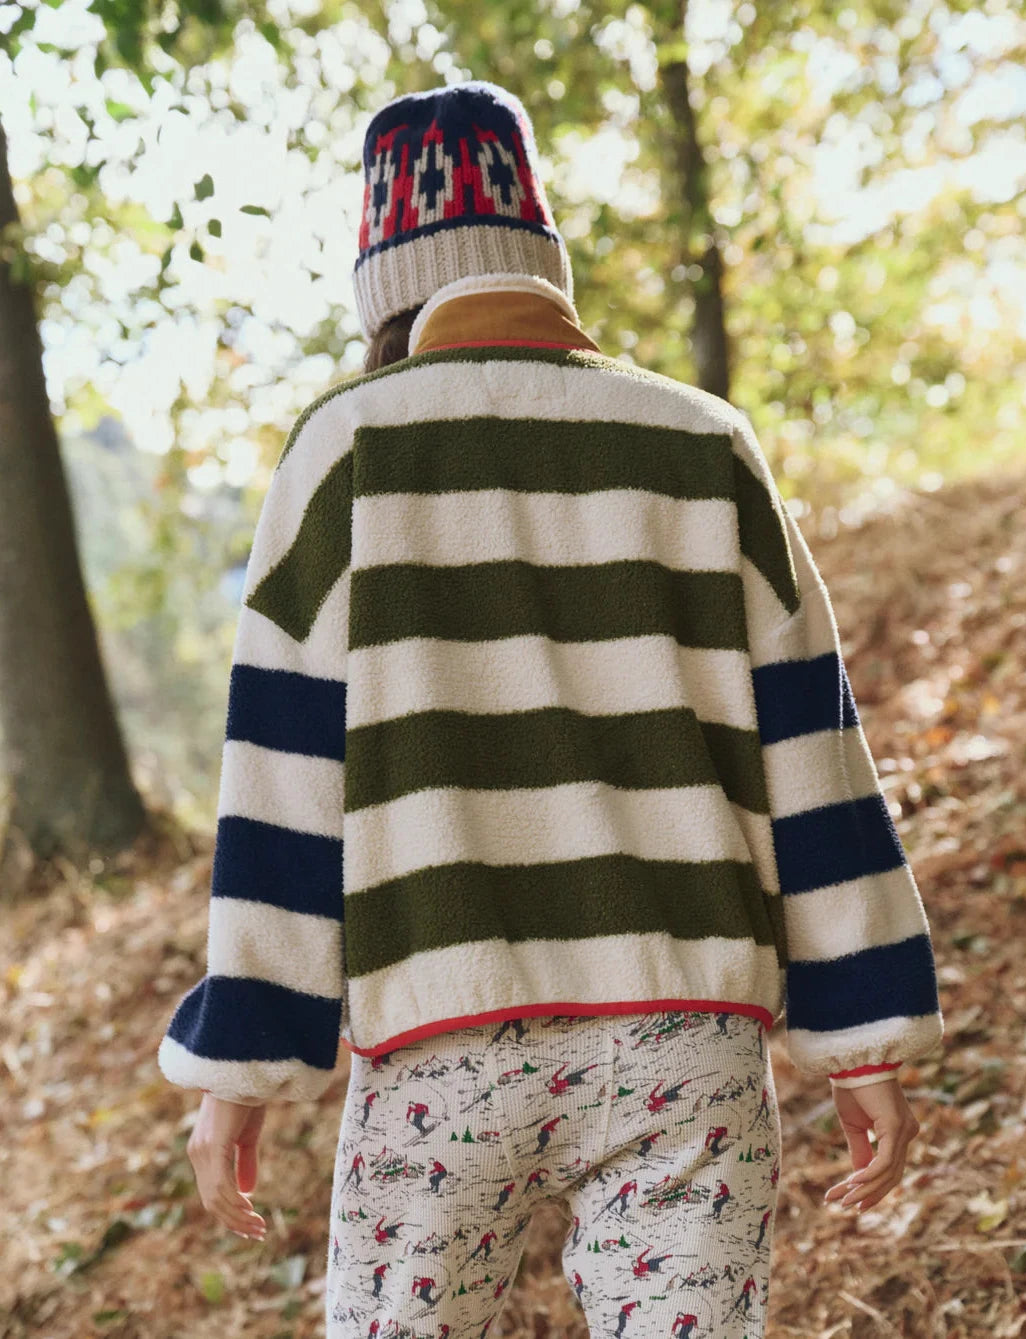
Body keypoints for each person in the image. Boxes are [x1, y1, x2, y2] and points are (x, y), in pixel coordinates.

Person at [157, 80, 944, 1337]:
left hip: (440, 1047)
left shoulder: (345, 451)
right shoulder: (703, 443)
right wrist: (862, 1034)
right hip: (686, 1042)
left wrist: (240, 1065)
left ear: (382, 280)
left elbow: (282, 785)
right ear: (541, 249)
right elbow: (813, 747)